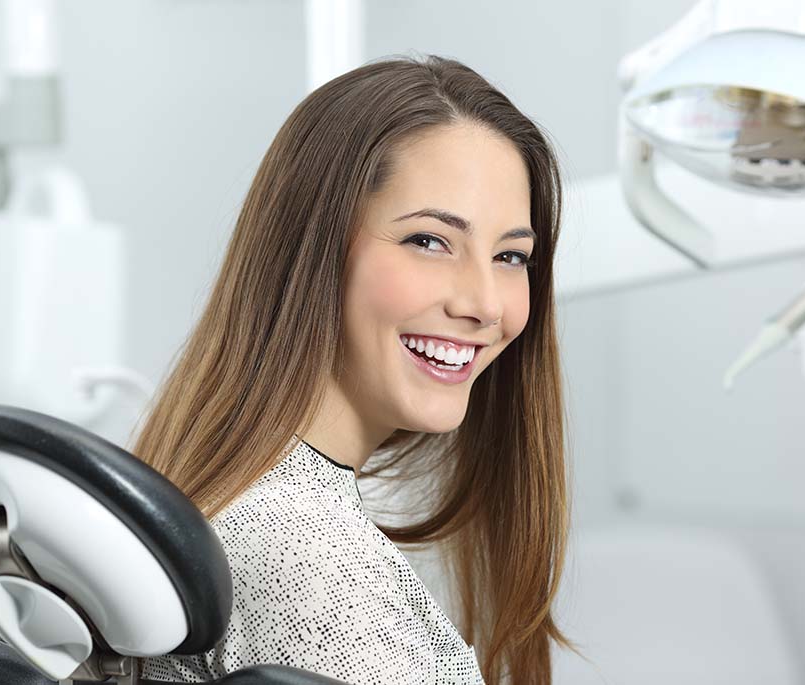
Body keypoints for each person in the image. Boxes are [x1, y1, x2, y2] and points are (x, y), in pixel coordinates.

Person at [132, 54, 573, 685]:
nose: (482, 304)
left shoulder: (255, 506)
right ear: (313, 249)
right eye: (429, 241)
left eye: (510, 256)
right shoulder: (303, 555)